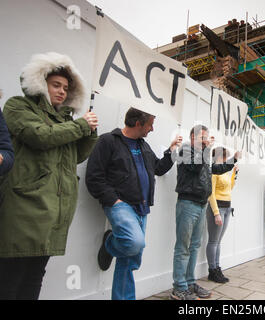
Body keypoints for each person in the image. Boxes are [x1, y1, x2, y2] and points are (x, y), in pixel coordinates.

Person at [0, 52, 98, 300]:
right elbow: (40, 135)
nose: (62, 92)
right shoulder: (17, 105)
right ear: (39, 83)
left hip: (53, 212)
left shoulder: (65, 119)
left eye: (66, 87)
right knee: (11, 279)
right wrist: (81, 126)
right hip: (24, 209)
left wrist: (90, 133)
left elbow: (75, 157)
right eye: (56, 85)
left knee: (35, 276)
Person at [85, 107, 182, 300]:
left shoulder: (144, 146)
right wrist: (113, 200)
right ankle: (109, 243)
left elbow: (158, 168)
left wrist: (171, 150)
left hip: (141, 207)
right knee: (134, 243)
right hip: (120, 204)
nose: (152, 129)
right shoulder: (108, 141)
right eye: (150, 124)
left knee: (129, 260)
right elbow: (94, 177)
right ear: (138, 123)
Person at [171, 125, 241, 300]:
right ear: (192, 137)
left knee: (194, 246)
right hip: (188, 203)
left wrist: (233, 160)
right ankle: (179, 288)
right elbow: (194, 168)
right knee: (183, 247)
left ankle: (189, 283)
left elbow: (215, 169)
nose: (205, 140)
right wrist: (208, 148)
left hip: (201, 205)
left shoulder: (203, 155)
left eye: (207, 137)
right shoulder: (185, 150)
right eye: (202, 137)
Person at [206, 147, 239, 283]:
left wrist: (234, 174)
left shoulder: (224, 171)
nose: (227, 159)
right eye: (226, 157)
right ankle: (212, 270)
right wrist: (216, 213)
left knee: (218, 241)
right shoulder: (214, 171)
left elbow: (229, 188)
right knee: (213, 241)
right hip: (218, 208)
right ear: (220, 156)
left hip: (227, 207)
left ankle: (217, 268)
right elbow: (211, 193)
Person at [0, 89, 14, 177]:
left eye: (65, 89)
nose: (62, 92)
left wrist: (2, 159)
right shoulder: (16, 104)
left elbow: (7, 151)